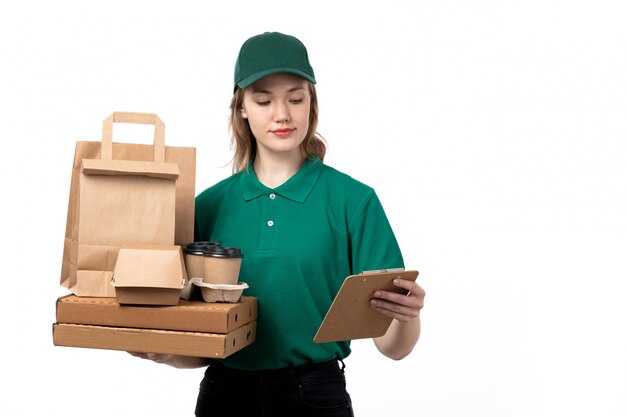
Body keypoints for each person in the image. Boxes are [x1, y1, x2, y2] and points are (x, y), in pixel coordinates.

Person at [132, 32, 425, 416]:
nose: (282, 114)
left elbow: (393, 347)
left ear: (311, 104)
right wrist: (166, 352)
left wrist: (408, 316)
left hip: (315, 396)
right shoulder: (206, 207)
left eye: (295, 98)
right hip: (225, 396)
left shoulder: (354, 201)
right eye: (263, 99)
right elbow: (204, 344)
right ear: (241, 108)